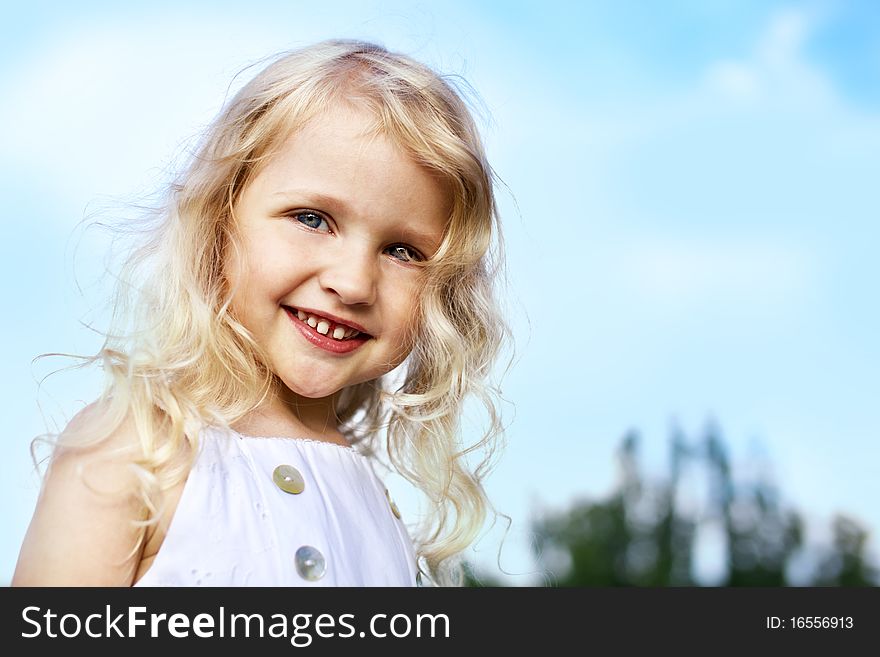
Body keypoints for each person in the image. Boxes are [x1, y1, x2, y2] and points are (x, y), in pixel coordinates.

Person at [12, 40, 508, 587]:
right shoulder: (136, 452)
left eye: (402, 251)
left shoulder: (378, 505)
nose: (352, 282)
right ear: (221, 220)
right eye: (312, 219)